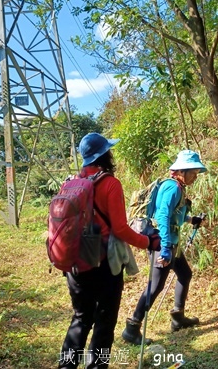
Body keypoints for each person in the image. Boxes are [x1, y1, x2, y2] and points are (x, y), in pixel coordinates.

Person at [59, 133, 161, 369]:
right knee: (104, 320)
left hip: (74, 261)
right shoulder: (110, 184)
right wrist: (148, 241)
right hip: (102, 263)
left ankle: (66, 366)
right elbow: (121, 229)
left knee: (81, 318)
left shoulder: (70, 183)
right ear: (105, 154)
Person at [122, 150, 207, 345]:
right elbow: (162, 217)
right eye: (193, 172)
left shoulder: (178, 186)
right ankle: (132, 328)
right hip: (164, 243)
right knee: (155, 286)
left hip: (170, 242)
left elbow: (174, 214)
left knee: (185, 274)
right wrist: (166, 247)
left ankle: (178, 317)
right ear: (180, 172)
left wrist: (191, 219)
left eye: (196, 172)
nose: (195, 176)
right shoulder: (172, 188)